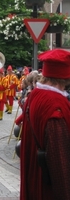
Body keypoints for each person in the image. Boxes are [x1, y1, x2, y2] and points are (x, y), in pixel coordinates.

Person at [20, 49, 70, 199]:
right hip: (47, 186)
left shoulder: (35, 94)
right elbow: (58, 158)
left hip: (34, 173)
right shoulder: (55, 105)